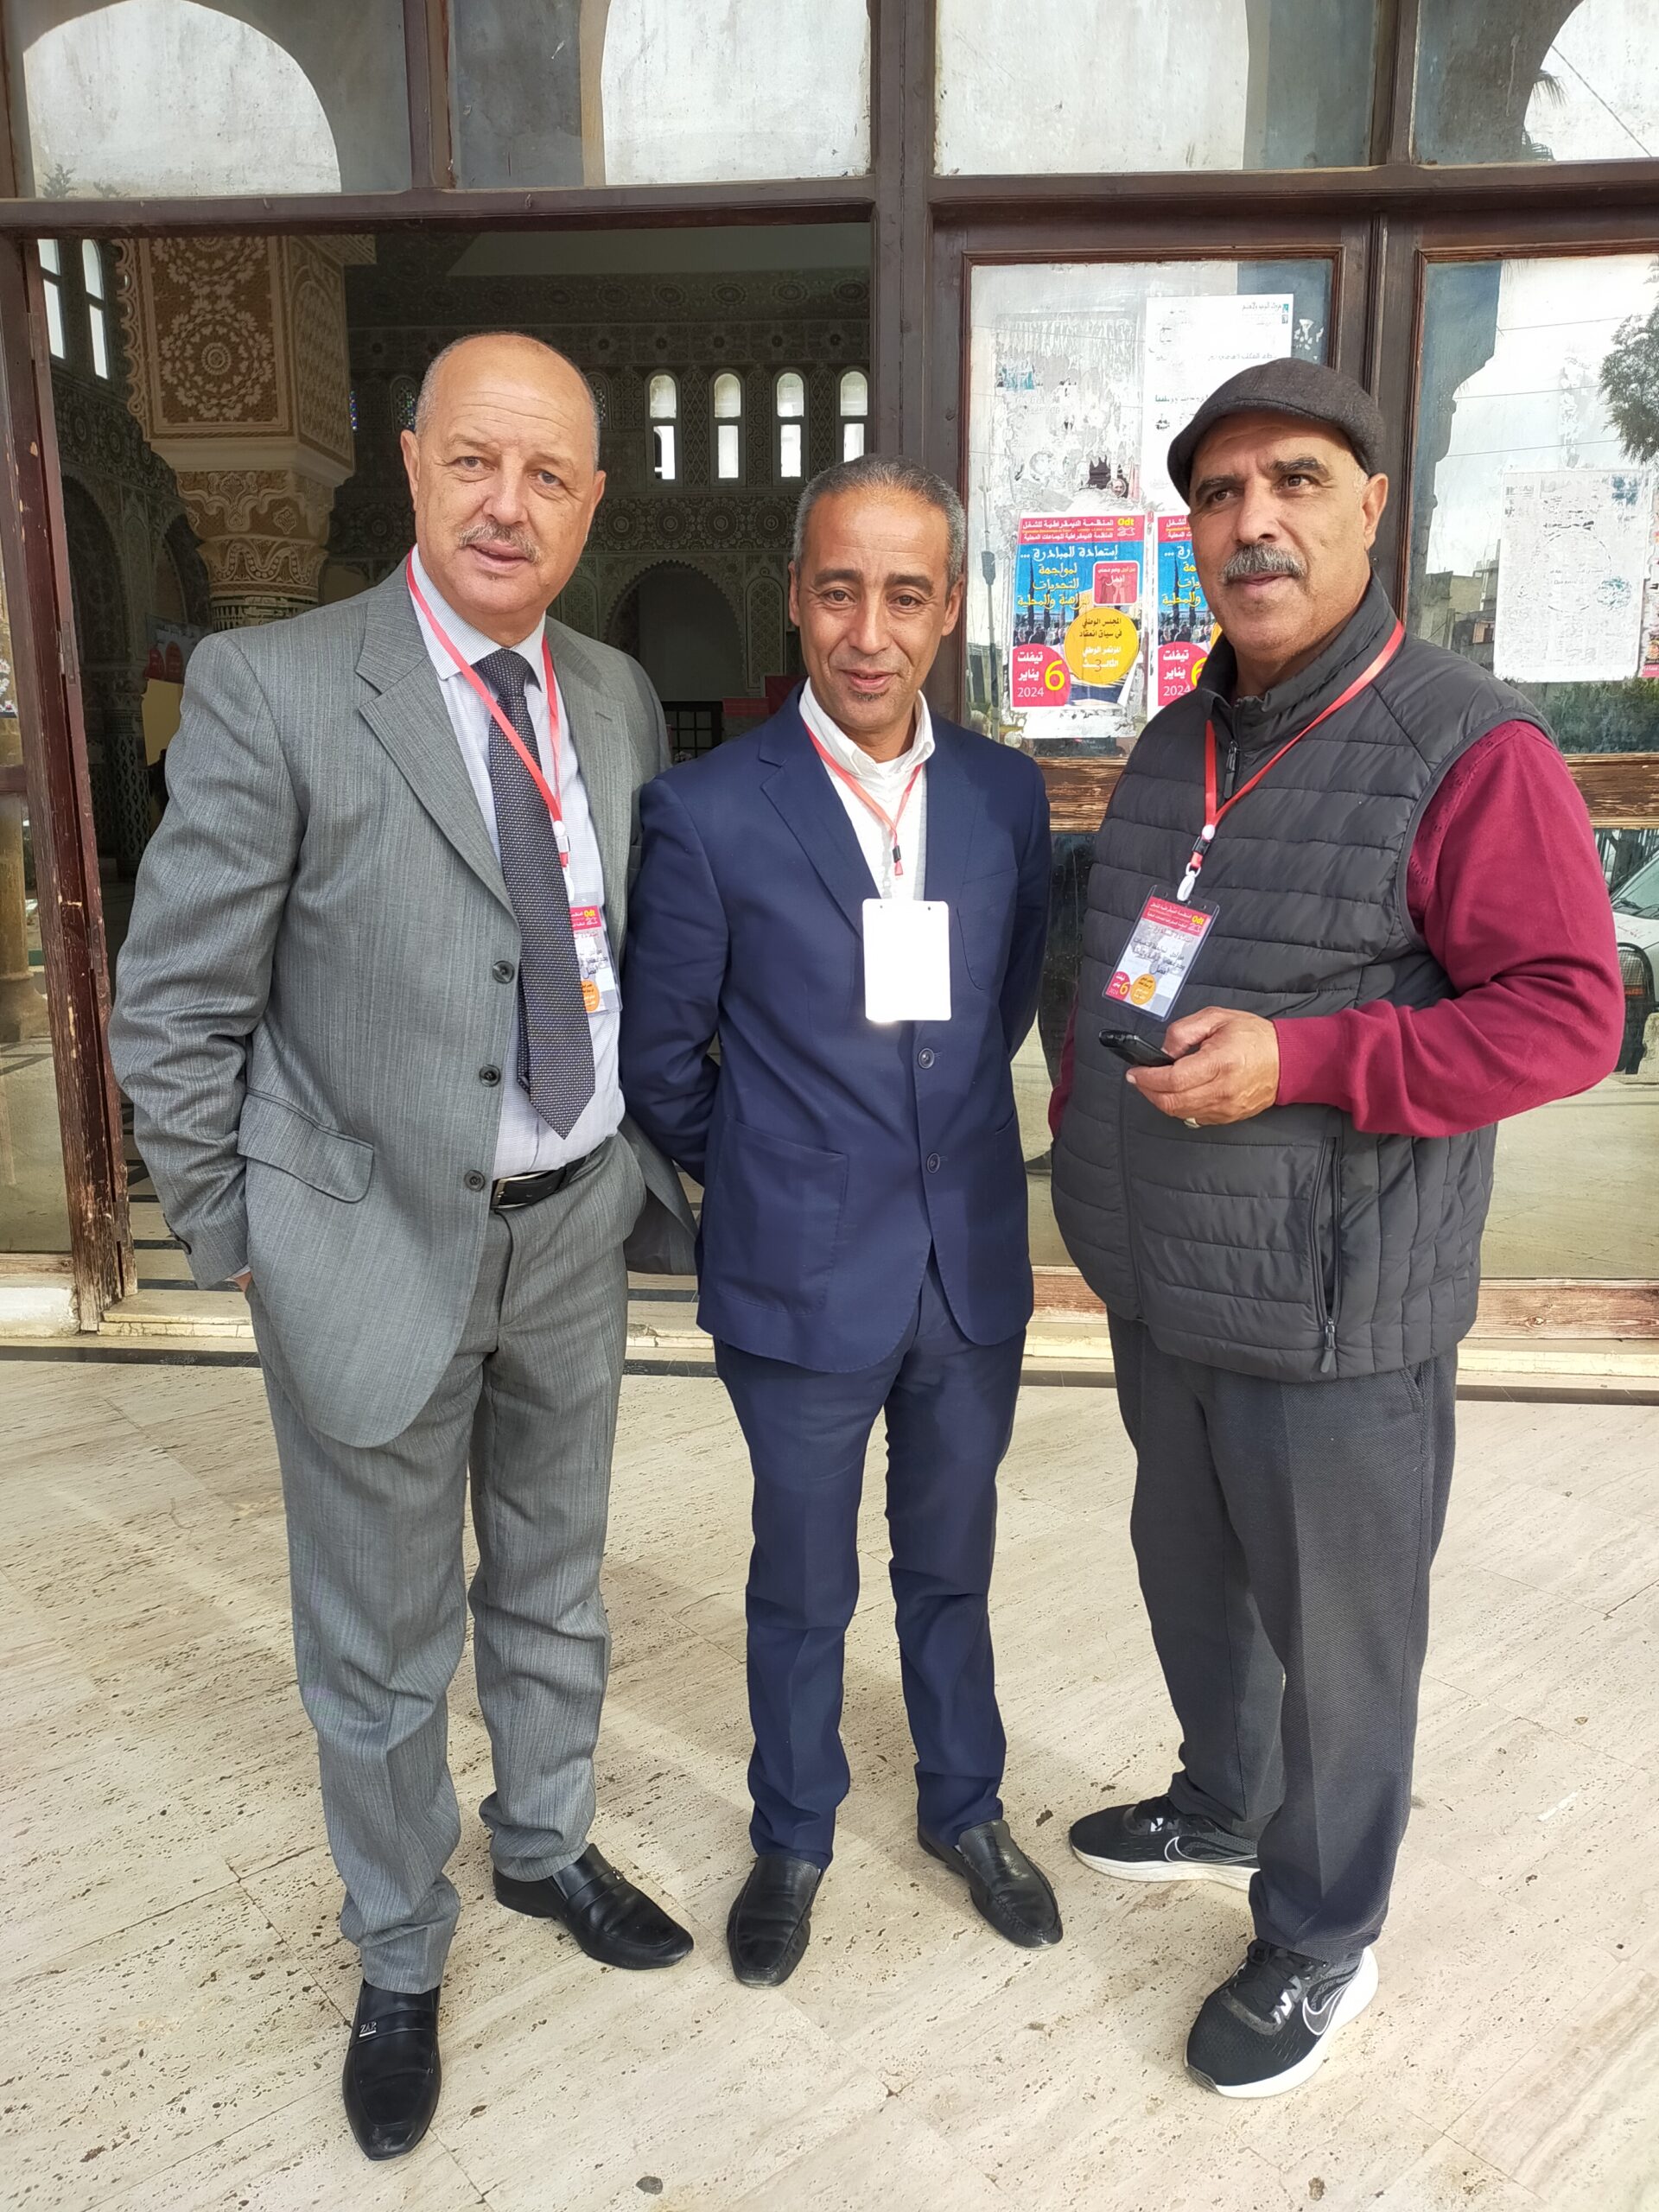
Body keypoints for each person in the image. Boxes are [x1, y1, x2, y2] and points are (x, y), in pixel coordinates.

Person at [111, 332, 698, 2162]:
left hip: (571, 1224)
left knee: (555, 1580)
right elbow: (174, 1005)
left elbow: (608, 943)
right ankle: (396, 1944)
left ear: (591, 504)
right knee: (376, 1642)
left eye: (550, 474)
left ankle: (543, 1841)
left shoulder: (613, 693)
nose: (508, 503)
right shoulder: (276, 686)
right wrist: (243, 1236)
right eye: (475, 461)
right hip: (363, 1240)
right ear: (413, 462)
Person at [1050, 359, 1624, 2098]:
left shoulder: (1467, 744)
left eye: (1295, 481)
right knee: (1191, 1582)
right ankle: (1224, 1798)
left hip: (1334, 1309)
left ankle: (1320, 1936)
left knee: (1344, 1644)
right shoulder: (1181, 737)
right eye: (1219, 495)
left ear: (1373, 508)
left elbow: (1567, 1014)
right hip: (1163, 1281)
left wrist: (1309, 1058)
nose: (1255, 522)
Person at [620, 454, 1058, 1987]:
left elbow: (1002, 1003)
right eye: (839, 591)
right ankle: (793, 1831)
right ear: (796, 598)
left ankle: (965, 1807)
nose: (870, 632)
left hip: (967, 1269)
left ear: (947, 613)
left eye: (906, 595)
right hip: (799, 1274)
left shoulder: (1004, 796)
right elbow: (661, 1063)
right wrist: (776, 1171)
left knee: (952, 1562)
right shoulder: (706, 812)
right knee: (802, 1581)